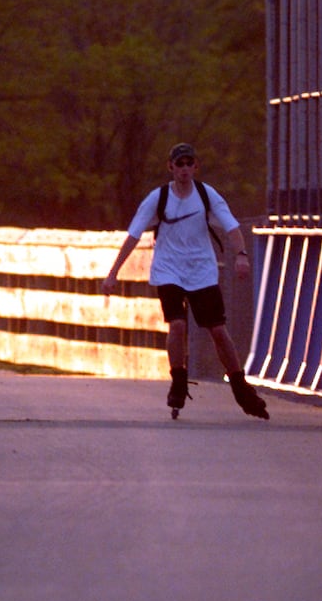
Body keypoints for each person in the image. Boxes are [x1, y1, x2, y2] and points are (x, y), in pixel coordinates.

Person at [102, 143, 268, 420]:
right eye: (179, 164)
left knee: (217, 329)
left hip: (201, 270)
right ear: (171, 168)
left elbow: (231, 227)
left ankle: (239, 386)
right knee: (177, 324)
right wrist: (113, 272)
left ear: (195, 167)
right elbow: (133, 235)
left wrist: (241, 255)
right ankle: (178, 380)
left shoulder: (206, 195)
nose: (184, 169)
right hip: (168, 270)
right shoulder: (159, 198)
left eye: (189, 164)